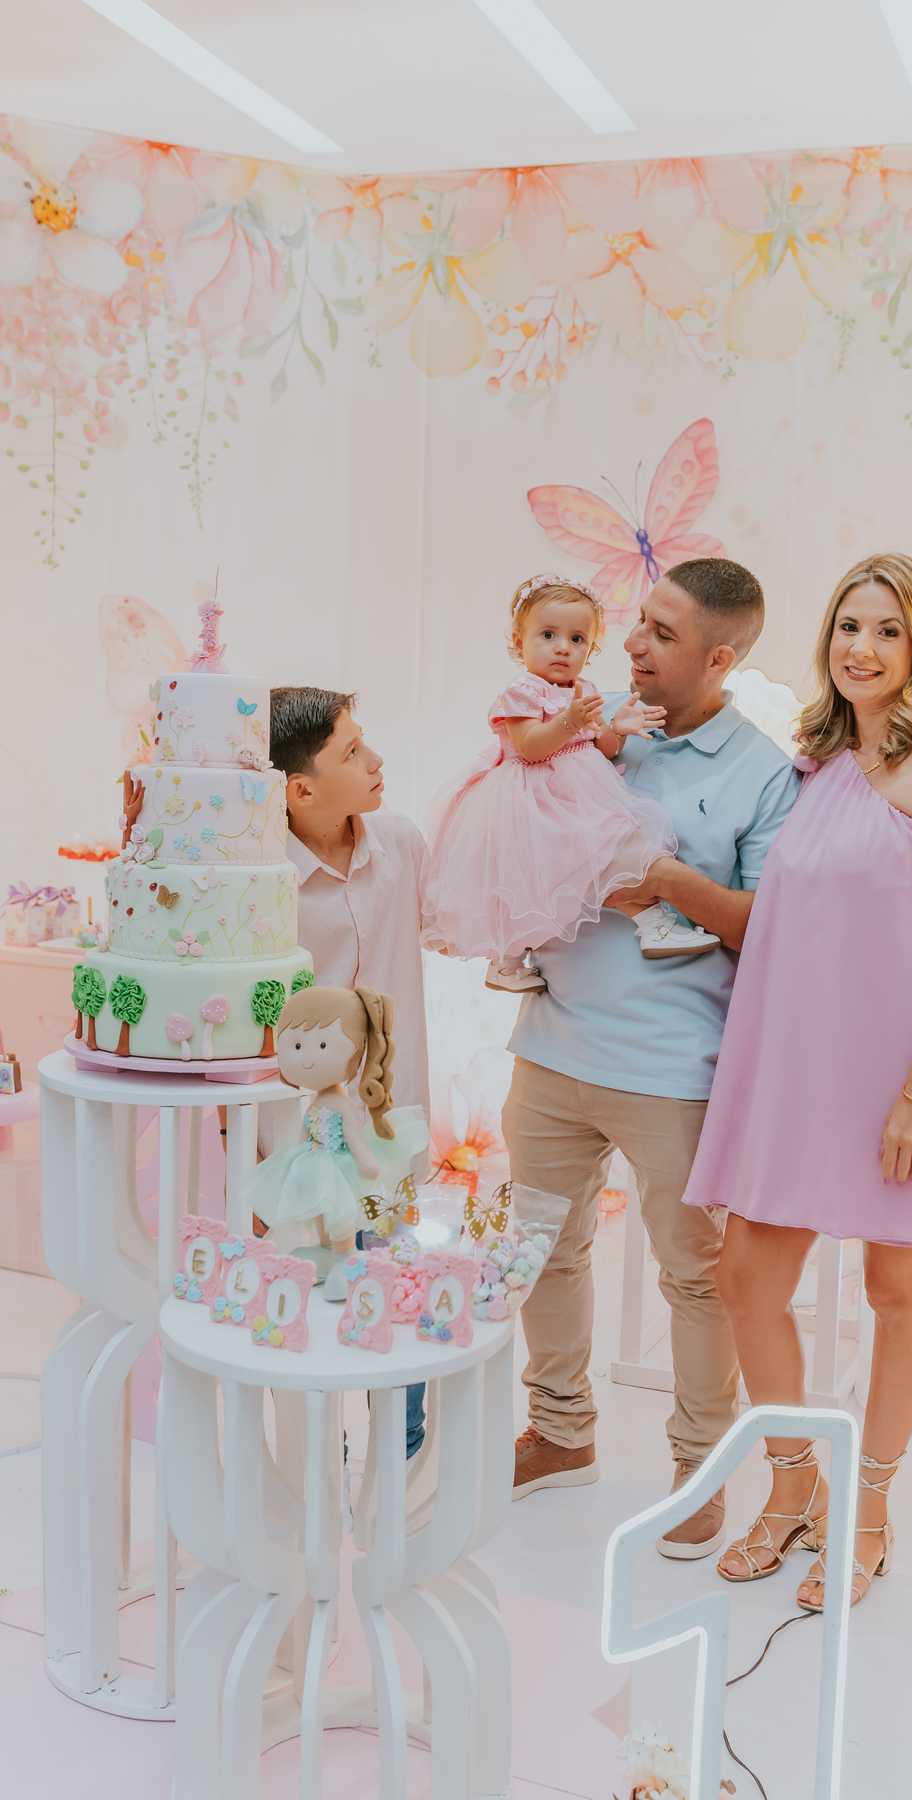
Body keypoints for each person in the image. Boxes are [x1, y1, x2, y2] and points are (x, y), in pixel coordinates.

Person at [683, 552, 912, 1607]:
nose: (861, 648)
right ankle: (793, 1489)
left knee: (895, 1287)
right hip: (805, 1069)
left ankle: (868, 1506)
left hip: (907, 1075)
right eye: (847, 628)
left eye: (884, 631)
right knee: (746, 1280)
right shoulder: (813, 768)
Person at [501, 557, 800, 1558]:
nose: (632, 642)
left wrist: (664, 877)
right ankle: (558, 1431)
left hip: (673, 1069)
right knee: (541, 1248)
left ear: (720, 657)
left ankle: (699, 1466)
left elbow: (771, 928)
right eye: (639, 620)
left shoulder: (762, 772)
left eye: (663, 634)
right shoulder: (589, 734)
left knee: (696, 1280)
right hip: (550, 1049)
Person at [421, 571, 720, 994]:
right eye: (548, 635)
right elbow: (529, 747)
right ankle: (504, 962)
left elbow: (604, 748)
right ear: (519, 641)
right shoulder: (522, 691)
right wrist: (569, 720)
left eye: (577, 639)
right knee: (524, 882)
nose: (563, 647)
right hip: (531, 799)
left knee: (611, 854)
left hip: (579, 789)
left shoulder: (584, 689)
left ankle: (654, 926)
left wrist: (617, 727)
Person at [270, 686, 431, 1457]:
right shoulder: (262, 879)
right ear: (300, 789)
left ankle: (401, 1447)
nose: (375, 761)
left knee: (394, 1282)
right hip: (299, 1142)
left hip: (392, 1123)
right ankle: (314, 1455)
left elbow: (464, 920)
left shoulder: (400, 844)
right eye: (352, 752)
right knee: (307, 1294)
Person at [241, 985, 429, 1301]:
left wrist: (366, 1160)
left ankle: (346, 1255)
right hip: (312, 1161)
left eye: (323, 1044)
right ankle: (327, 1249)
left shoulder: (340, 1102)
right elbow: (306, 1129)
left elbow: (353, 1134)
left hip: (339, 1163)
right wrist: (295, 1156)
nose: (308, 1058)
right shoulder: (317, 1100)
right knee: (319, 1208)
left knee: (340, 1212)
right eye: (297, 1045)